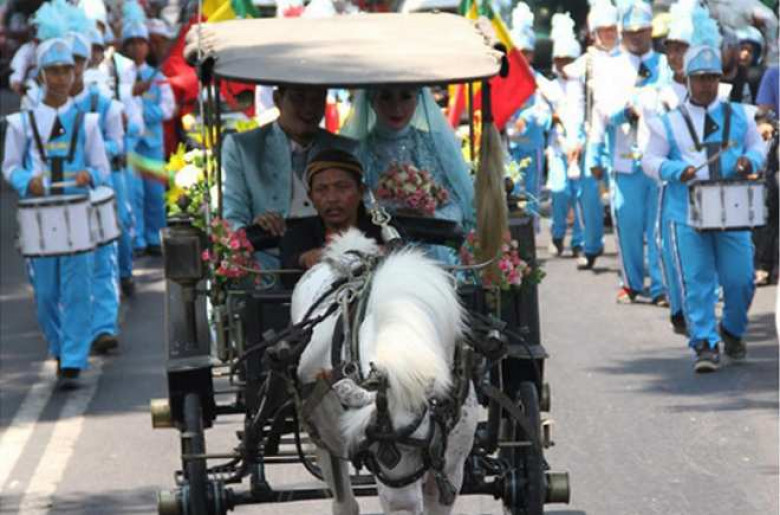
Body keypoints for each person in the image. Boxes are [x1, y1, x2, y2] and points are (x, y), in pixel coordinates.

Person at [642, 10, 766, 372]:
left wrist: (749, 162)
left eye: (712, 77)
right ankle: (705, 344)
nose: (706, 85)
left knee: (740, 278)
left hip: (732, 208)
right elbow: (649, 160)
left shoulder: (741, 114)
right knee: (696, 280)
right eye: (699, 78)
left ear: (719, 77)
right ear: (687, 78)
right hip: (686, 210)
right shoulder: (669, 122)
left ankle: (732, 330)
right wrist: (675, 169)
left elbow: (758, 148)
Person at [2, 35, 110, 383]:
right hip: (40, 215)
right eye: (54, 70)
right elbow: (9, 166)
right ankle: (59, 344)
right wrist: (25, 181)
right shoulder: (22, 123)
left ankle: (73, 357)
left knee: (78, 286)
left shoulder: (88, 122)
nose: (62, 77)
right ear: (42, 74)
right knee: (46, 292)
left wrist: (87, 174)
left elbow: (102, 168)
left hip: (76, 211)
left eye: (67, 69)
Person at [221, 86, 356, 269]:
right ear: (277, 99)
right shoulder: (243, 147)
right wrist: (256, 228)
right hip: (268, 265)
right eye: (298, 98)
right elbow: (232, 218)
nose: (308, 108)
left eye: (317, 99)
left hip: (337, 262)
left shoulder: (347, 149)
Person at [587, 0, 667, 305]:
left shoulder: (664, 64)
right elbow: (604, 109)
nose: (636, 36)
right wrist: (628, 110)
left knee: (658, 227)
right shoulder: (611, 66)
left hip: (659, 159)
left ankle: (661, 287)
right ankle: (632, 282)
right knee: (628, 223)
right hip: (625, 159)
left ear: (650, 30)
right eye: (630, 31)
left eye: (641, 31)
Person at [340, 86, 475, 264]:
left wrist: (429, 215)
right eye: (386, 97)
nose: (397, 108)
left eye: (406, 97)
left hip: (434, 253)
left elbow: (459, 205)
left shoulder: (436, 145)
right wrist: (392, 210)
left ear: (418, 99)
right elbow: (352, 211)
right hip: (383, 253)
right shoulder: (358, 153)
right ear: (372, 101)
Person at [67, 22, 125, 353]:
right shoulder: (52, 111)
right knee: (72, 270)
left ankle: (103, 326)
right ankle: (75, 333)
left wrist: (92, 166)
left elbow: (117, 145)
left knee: (105, 260)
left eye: (76, 61)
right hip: (65, 198)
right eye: (61, 65)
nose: (70, 70)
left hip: (99, 189)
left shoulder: (104, 104)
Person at [561, 0, 620, 270]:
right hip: (594, 137)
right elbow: (575, 104)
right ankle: (591, 245)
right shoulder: (585, 64)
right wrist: (574, 138)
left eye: (612, 28)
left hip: (624, 137)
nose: (609, 34)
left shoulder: (628, 60)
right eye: (603, 29)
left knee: (623, 200)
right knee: (590, 195)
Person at [280, 149, 384, 279]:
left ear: (361, 191)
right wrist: (302, 260)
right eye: (321, 189)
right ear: (310, 197)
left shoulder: (384, 230)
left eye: (342, 187)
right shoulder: (297, 236)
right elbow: (286, 273)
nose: (332, 198)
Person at [122, 1, 175, 256]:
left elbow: (168, 108)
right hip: (131, 146)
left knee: (155, 194)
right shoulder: (120, 75)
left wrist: (144, 110)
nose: (135, 48)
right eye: (130, 43)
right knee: (134, 195)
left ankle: (156, 237)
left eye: (140, 42)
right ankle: (138, 240)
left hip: (152, 145)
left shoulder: (158, 75)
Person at [505, 2, 551, 226]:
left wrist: (528, 117)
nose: (523, 57)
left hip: (531, 144)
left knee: (531, 192)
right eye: (518, 53)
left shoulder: (537, 80)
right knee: (511, 190)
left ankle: (530, 233)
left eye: (526, 53)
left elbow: (544, 108)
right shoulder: (503, 78)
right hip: (509, 145)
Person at [545, 13, 584, 258]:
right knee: (559, 192)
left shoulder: (584, 85)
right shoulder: (548, 87)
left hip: (579, 149)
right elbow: (539, 116)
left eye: (568, 59)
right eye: (559, 60)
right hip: (558, 149)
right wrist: (552, 117)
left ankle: (580, 240)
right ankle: (558, 234)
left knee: (580, 196)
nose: (563, 64)